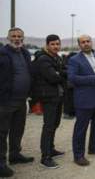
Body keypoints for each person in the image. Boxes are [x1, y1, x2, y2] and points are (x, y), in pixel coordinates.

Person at [68, 35, 95, 166]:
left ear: (91, 43)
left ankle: (94, 147)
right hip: (84, 99)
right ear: (79, 45)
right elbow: (72, 78)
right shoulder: (75, 60)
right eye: (83, 42)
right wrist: (93, 78)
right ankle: (78, 155)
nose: (86, 44)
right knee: (81, 128)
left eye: (88, 41)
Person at [0, 28, 34, 177]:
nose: (16, 38)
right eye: (13, 36)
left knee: (17, 130)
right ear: (8, 38)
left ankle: (15, 155)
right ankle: (1, 164)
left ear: (23, 38)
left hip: (21, 100)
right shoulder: (2, 53)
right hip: (5, 101)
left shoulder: (25, 53)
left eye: (19, 36)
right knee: (1, 134)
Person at [32, 34, 66, 168]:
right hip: (48, 97)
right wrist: (61, 73)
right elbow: (53, 77)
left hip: (57, 96)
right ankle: (45, 157)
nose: (55, 46)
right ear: (47, 45)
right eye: (52, 44)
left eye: (57, 44)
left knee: (55, 124)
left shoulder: (56, 57)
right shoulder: (43, 59)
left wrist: (60, 73)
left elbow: (60, 72)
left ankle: (51, 149)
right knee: (48, 126)